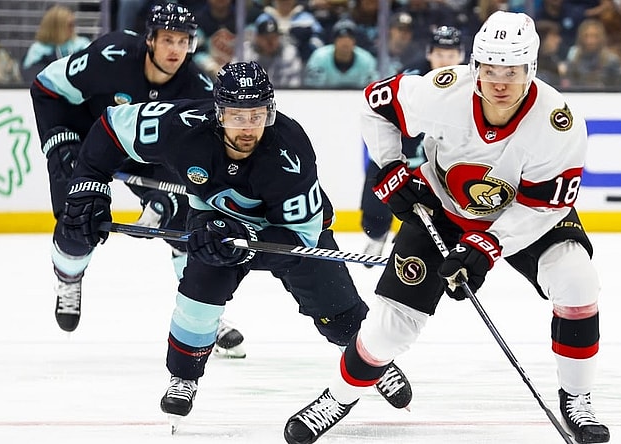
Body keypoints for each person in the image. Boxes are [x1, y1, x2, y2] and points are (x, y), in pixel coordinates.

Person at [284, 11, 610, 444]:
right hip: (440, 208)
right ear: (475, 65)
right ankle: (338, 397)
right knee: (389, 329)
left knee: (577, 280)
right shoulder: (443, 92)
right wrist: (390, 166)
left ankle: (578, 398)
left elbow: (544, 206)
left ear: (530, 69)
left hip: (529, 220)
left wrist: (489, 243)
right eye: (490, 69)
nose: (499, 82)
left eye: (511, 71)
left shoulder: (558, 125)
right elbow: (375, 105)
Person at [57, 61, 412, 429]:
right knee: (197, 295)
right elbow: (112, 127)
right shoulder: (182, 126)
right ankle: (184, 376)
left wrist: (249, 242)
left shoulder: (290, 152)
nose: (248, 127)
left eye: (257, 115)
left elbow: (301, 239)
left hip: (288, 232)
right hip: (215, 221)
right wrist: (90, 183)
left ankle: (371, 360)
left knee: (337, 308)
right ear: (218, 112)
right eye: (237, 116)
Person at [29, 2, 247, 358]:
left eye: (184, 41)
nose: (176, 49)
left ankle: (200, 313)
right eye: (168, 40)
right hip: (88, 141)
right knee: (77, 218)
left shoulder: (196, 89)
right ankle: (69, 277)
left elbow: (200, 160)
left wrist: (170, 200)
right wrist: (57, 143)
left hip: (147, 153)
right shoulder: (110, 56)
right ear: (150, 40)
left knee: (189, 223)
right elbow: (46, 88)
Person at [358, 25, 466, 262]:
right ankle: (376, 234)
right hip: (401, 154)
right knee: (378, 186)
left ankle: (409, 241)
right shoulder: (412, 78)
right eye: (440, 54)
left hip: (437, 162)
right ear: (429, 53)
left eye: (450, 55)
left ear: (461, 55)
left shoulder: (470, 85)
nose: (445, 60)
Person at [21, 5, 91, 81]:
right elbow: (30, 76)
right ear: (56, 27)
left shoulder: (81, 44)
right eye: (70, 25)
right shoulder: (38, 49)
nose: (73, 28)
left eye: (73, 24)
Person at [303, 18, 378, 88]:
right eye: (341, 38)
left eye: (349, 38)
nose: (345, 42)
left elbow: (372, 89)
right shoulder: (319, 58)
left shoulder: (366, 60)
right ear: (334, 41)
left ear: (354, 41)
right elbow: (312, 89)